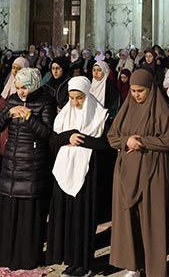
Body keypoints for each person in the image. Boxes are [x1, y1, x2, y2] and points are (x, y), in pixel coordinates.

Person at [107, 68, 169, 277]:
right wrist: (126, 141)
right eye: (133, 91)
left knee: (152, 220)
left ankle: (155, 270)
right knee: (130, 220)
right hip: (126, 171)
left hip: (152, 170)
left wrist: (142, 142)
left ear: (151, 89)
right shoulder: (127, 108)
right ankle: (133, 266)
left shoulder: (160, 109)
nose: (136, 95)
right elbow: (112, 136)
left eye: (140, 91)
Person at [0, 67, 55, 270]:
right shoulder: (12, 100)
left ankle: (26, 258)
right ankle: (4, 256)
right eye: (18, 88)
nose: (21, 92)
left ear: (33, 85)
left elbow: (47, 133)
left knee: (28, 214)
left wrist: (29, 117)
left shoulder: (46, 102)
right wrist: (10, 113)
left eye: (24, 88)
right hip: (11, 162)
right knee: (9, 213)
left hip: (32, 165)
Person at [47, 77, 111, 277]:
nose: (75, 102)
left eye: (79, 98)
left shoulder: (99, 114)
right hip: (65, 171)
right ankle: (71, 261)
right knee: (67, 217)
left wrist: (77, 139)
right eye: (72, 97)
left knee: (83, 219)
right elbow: (55, 137)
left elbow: (104, 143)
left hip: (88, 173)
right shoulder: (66, 113)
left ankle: (84, 264)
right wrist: (69, 137)